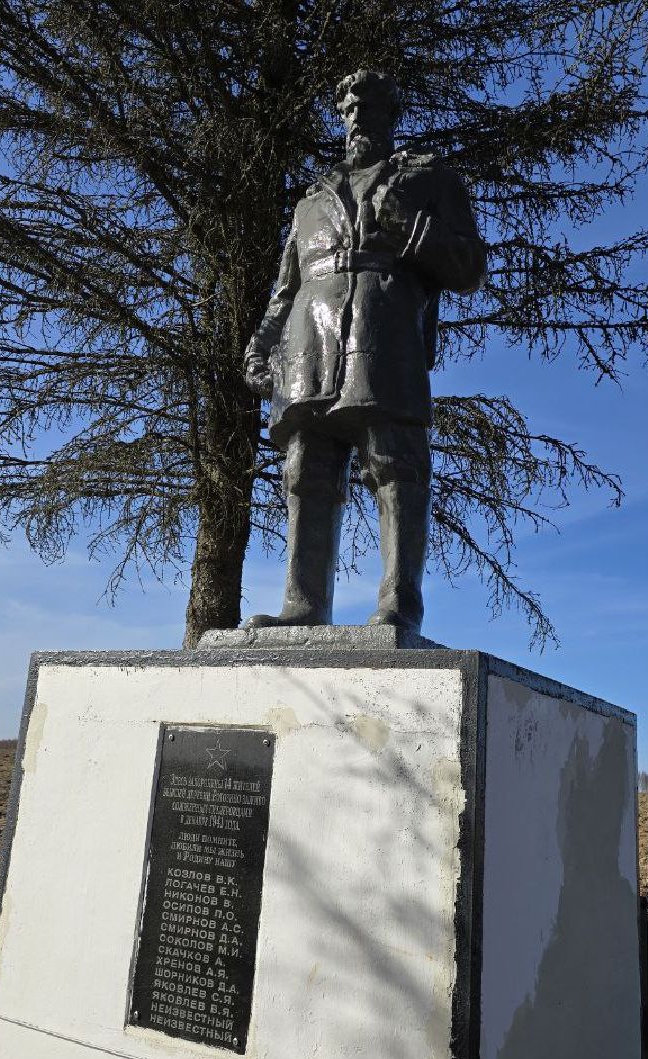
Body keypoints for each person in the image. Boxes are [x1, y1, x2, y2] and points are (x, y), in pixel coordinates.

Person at [243, 69, 487, 635]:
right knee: (305, 470)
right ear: (340, 112)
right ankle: (303, 606)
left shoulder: (428, 179)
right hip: (308, 347)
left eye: (369, 99)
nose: (357, 108)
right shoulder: (311, 200)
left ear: (391, 109)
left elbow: (469, 267)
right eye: (347, 99)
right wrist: (262, 345)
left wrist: (412, 232)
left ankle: (399, 606)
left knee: (396, 465)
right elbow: (288, 287)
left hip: (386, 339)